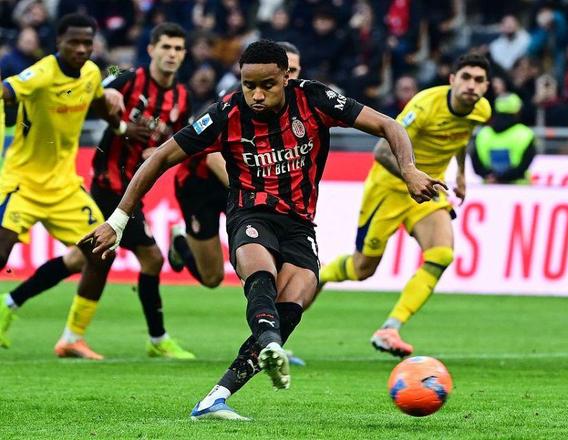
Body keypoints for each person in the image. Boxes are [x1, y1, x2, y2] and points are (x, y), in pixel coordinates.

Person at [82, 39, 441, 420]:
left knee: (293, 305)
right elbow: (160, 158)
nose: (255, 94)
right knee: (261, 276)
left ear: (286, 77)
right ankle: (271, 344)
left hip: (299, 224)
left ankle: (215, 397)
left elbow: (388, 125)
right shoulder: (226, 113)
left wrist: (409, 170)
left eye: (266, 85)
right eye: (248, 84)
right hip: (250, 214)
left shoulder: (314, 99)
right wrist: (117, 220)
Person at [0, 22, 196, 359]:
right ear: (151, 49)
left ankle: (37, 318)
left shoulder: (177, 96)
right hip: (84, 184)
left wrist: (123, 126)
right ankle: (157, 338)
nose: (172, 54)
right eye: (166, 47)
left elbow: (96, 93)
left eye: (178, 49)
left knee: (91, 254)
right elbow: (13, 90)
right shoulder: (119, 77)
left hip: (71, 186)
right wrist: (110, 89)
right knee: (148, 257)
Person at [318, 53, 491, 358]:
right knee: (362, 269)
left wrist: (461, 174)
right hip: (389, 188)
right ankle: (321, 275)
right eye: (466, 77)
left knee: (441, 254)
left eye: (479, 80)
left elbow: (462, 136)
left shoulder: (481, 110)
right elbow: (382, 151)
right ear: (452, 80)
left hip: (429, 190)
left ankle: (390, 328)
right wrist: (412, 177)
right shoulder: (424, 106)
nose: (471, 85)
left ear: (486, 86)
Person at [0, 14, 124, 356]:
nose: (81, 49)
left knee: (102, 252)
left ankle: (72, 338)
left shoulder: (92, 73)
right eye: (74, 42)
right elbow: (8, 90)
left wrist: (119, 124)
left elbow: (97, 101)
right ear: (59, 43)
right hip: (22, 183)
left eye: (87, 43)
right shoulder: (42, 72)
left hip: (64, 186)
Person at [168, 41, 303, 290]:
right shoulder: (241, 96)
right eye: (287, 71)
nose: (290, 77)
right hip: (201, 184)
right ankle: (180, 244)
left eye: (294, 71)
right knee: (212, 278)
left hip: (241, 183)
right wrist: (255, 190)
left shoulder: (299, 103)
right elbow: (213, 157)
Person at [471, 93, 535, 184]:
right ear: (518, 111)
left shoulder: (483, 134)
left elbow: (476, 165)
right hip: (518, 189)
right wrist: (501, 177)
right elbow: (524, 165)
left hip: (489, 188)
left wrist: (491, 176)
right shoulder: (525, 134)